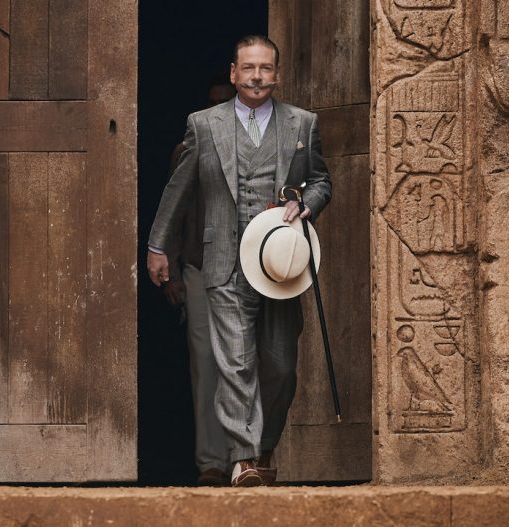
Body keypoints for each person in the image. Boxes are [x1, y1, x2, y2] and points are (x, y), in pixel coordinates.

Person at [147, 35, 332, 487]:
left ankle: (263, 447)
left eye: (265, 68)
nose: (256, 76)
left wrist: (307, 202)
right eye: (248, 68)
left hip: (279, 268)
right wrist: (157, 245)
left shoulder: (302, 124)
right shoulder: (203, 125)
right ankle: (245, 460)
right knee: (235, 363)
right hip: (224, 264)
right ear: (233, 74)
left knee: (282, 368)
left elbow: (321, 181)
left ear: (278, 74)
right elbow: (179, 190)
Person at [161, 75, 237, 486]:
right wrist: (171, 269)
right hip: (199, 267)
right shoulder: (188, 149)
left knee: (248, 363)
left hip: (250, 270)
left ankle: (247, 458)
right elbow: (174, 209)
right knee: (206, 364)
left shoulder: (261, 147)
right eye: (211, 104)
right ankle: (211, 462)